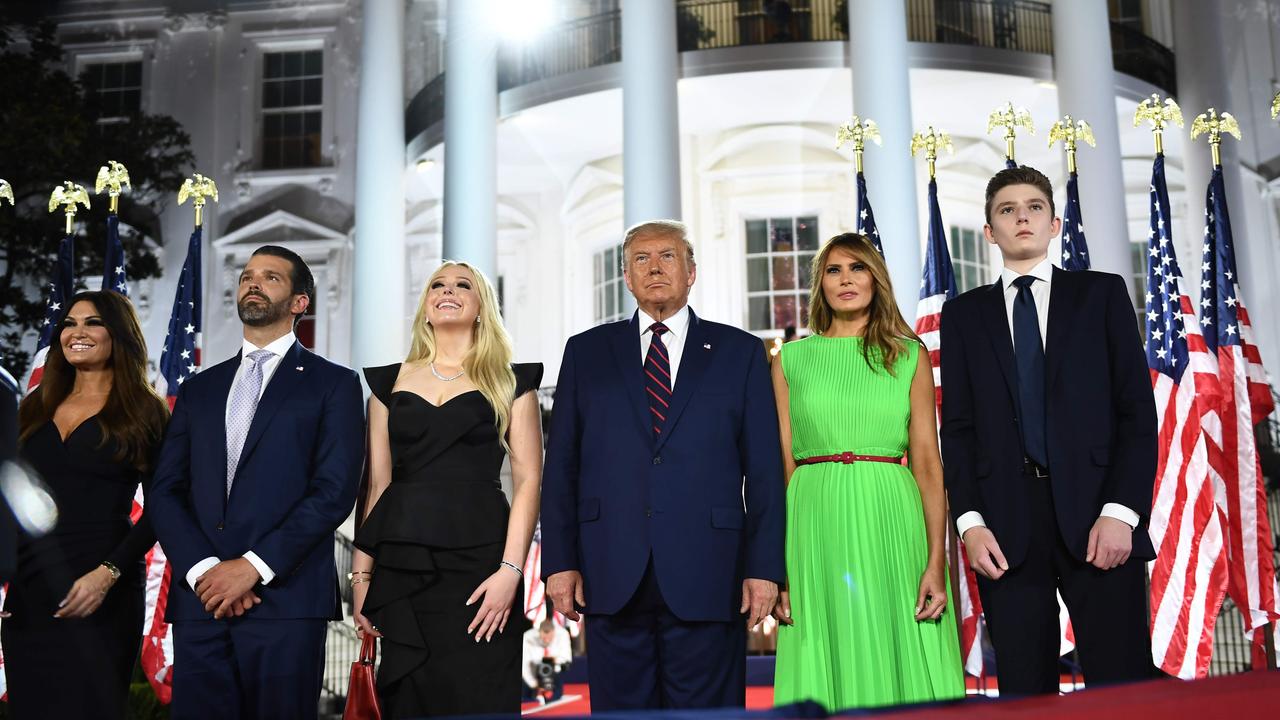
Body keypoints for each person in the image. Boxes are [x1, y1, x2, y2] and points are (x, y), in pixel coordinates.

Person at [542, 219, 786, 711]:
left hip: (711, 572)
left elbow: (763, 471)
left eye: (668, 256)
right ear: (627, 278)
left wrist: (765, 568)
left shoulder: (739, 353)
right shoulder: (585, 352)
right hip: (611, 569)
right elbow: (562, 464)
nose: (655, 268)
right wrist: (560, 562)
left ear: (691, 271)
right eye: (641, 259)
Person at [940, 166, 1158, 694]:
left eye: (1034, 207)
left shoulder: (1101, 295)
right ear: (989, 231)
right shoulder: (964, 315)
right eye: (1007, 210)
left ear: (1055, 223)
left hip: (1097, 514)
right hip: (1005, 526)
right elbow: (959, 429)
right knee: (1025, 690)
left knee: (1121, 681)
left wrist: (1121, 513)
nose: (1022, 217)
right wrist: (969, 524)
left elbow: (1136, 412)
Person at [148, 245, 365, 720]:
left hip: (285, 600)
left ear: (299, 301)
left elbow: (333, 492)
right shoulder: (199, 388)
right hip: (201, 602)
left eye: (270, 277)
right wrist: (206, 569)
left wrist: (251, 567)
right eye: (248, 275)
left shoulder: (335, 384)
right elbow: (165, 489)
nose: (252, 282)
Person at [770, 234, 965, 709]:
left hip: (890, 517)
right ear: (820, 284)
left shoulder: (908, 355)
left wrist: (935, 564)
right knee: (825, 638)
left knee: (896, 634)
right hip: (813, 519)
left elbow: (927, 464)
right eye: (833, 270)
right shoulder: (789, 360)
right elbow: (783, 466)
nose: (846, 280)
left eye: (857, 268)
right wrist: (779, 572)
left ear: (875, 279)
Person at [351, 260, 543, 718]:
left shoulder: (513, 381)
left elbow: (529, 480)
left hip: (482, 568)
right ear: (425, 305)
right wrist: (361, 577)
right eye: (437, 284)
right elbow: (377, 484)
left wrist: (510, 571)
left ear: (481, 306)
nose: (447, 291)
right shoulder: (386, 383)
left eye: (463, 285)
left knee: (479, 696)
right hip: (401, 565)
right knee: (408, 697)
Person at [3, 291, 169, 719]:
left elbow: (161, 510)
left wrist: (107, 574)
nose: (77, 332)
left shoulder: (144, 411)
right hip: (29, 593)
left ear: (118, 334)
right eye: (69, 323)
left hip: (102, 593)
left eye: (92, 322)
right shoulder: (33, 407)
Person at [521, 619, 572, 703]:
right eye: (544, 637)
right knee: (526, 698)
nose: (547, 640)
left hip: (554, 672)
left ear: (554, 632)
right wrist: (534, 684)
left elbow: (566, 658)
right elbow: (525, 665)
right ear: (539, 632)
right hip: (533, 671)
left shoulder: (562, 634)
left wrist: (553, 659)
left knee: (553, 698)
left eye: (549, 637)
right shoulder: (527, 637)